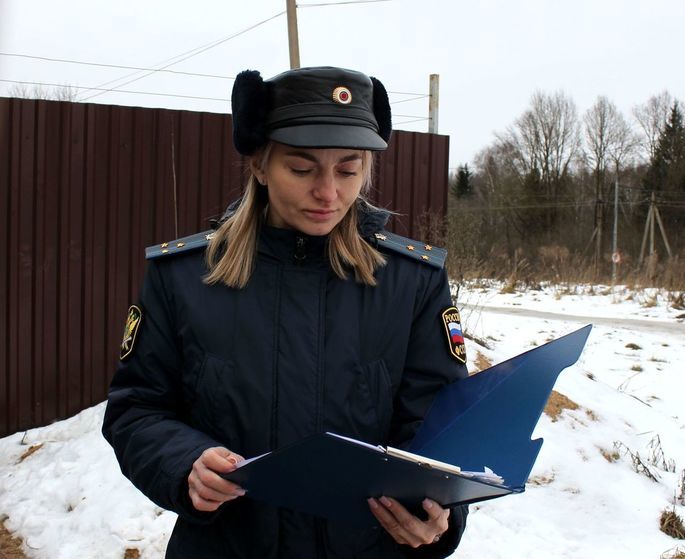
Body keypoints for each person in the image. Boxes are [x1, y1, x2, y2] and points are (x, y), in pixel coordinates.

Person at [103, 66, 469, 558]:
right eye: (301, 169)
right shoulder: (184, 278)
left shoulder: (413, 281)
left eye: (348, 169)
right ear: (259, 165)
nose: (328, 192)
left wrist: (438, 513)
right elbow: (137, 409)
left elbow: (440, 425)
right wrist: (185, 461)